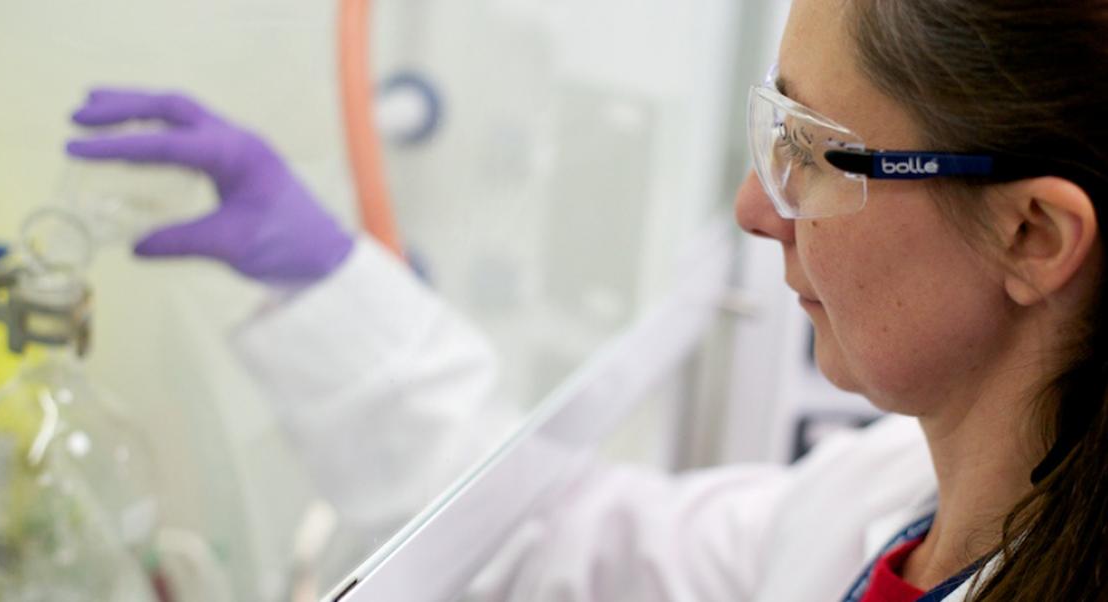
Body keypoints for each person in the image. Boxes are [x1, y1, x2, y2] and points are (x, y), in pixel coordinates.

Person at [66, 0, 1108, 600]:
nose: (754, 210)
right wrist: (324, 280)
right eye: (771, 128)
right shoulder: (883, 502)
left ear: (1033, 234)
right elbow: (563, 541)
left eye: (811, 151)